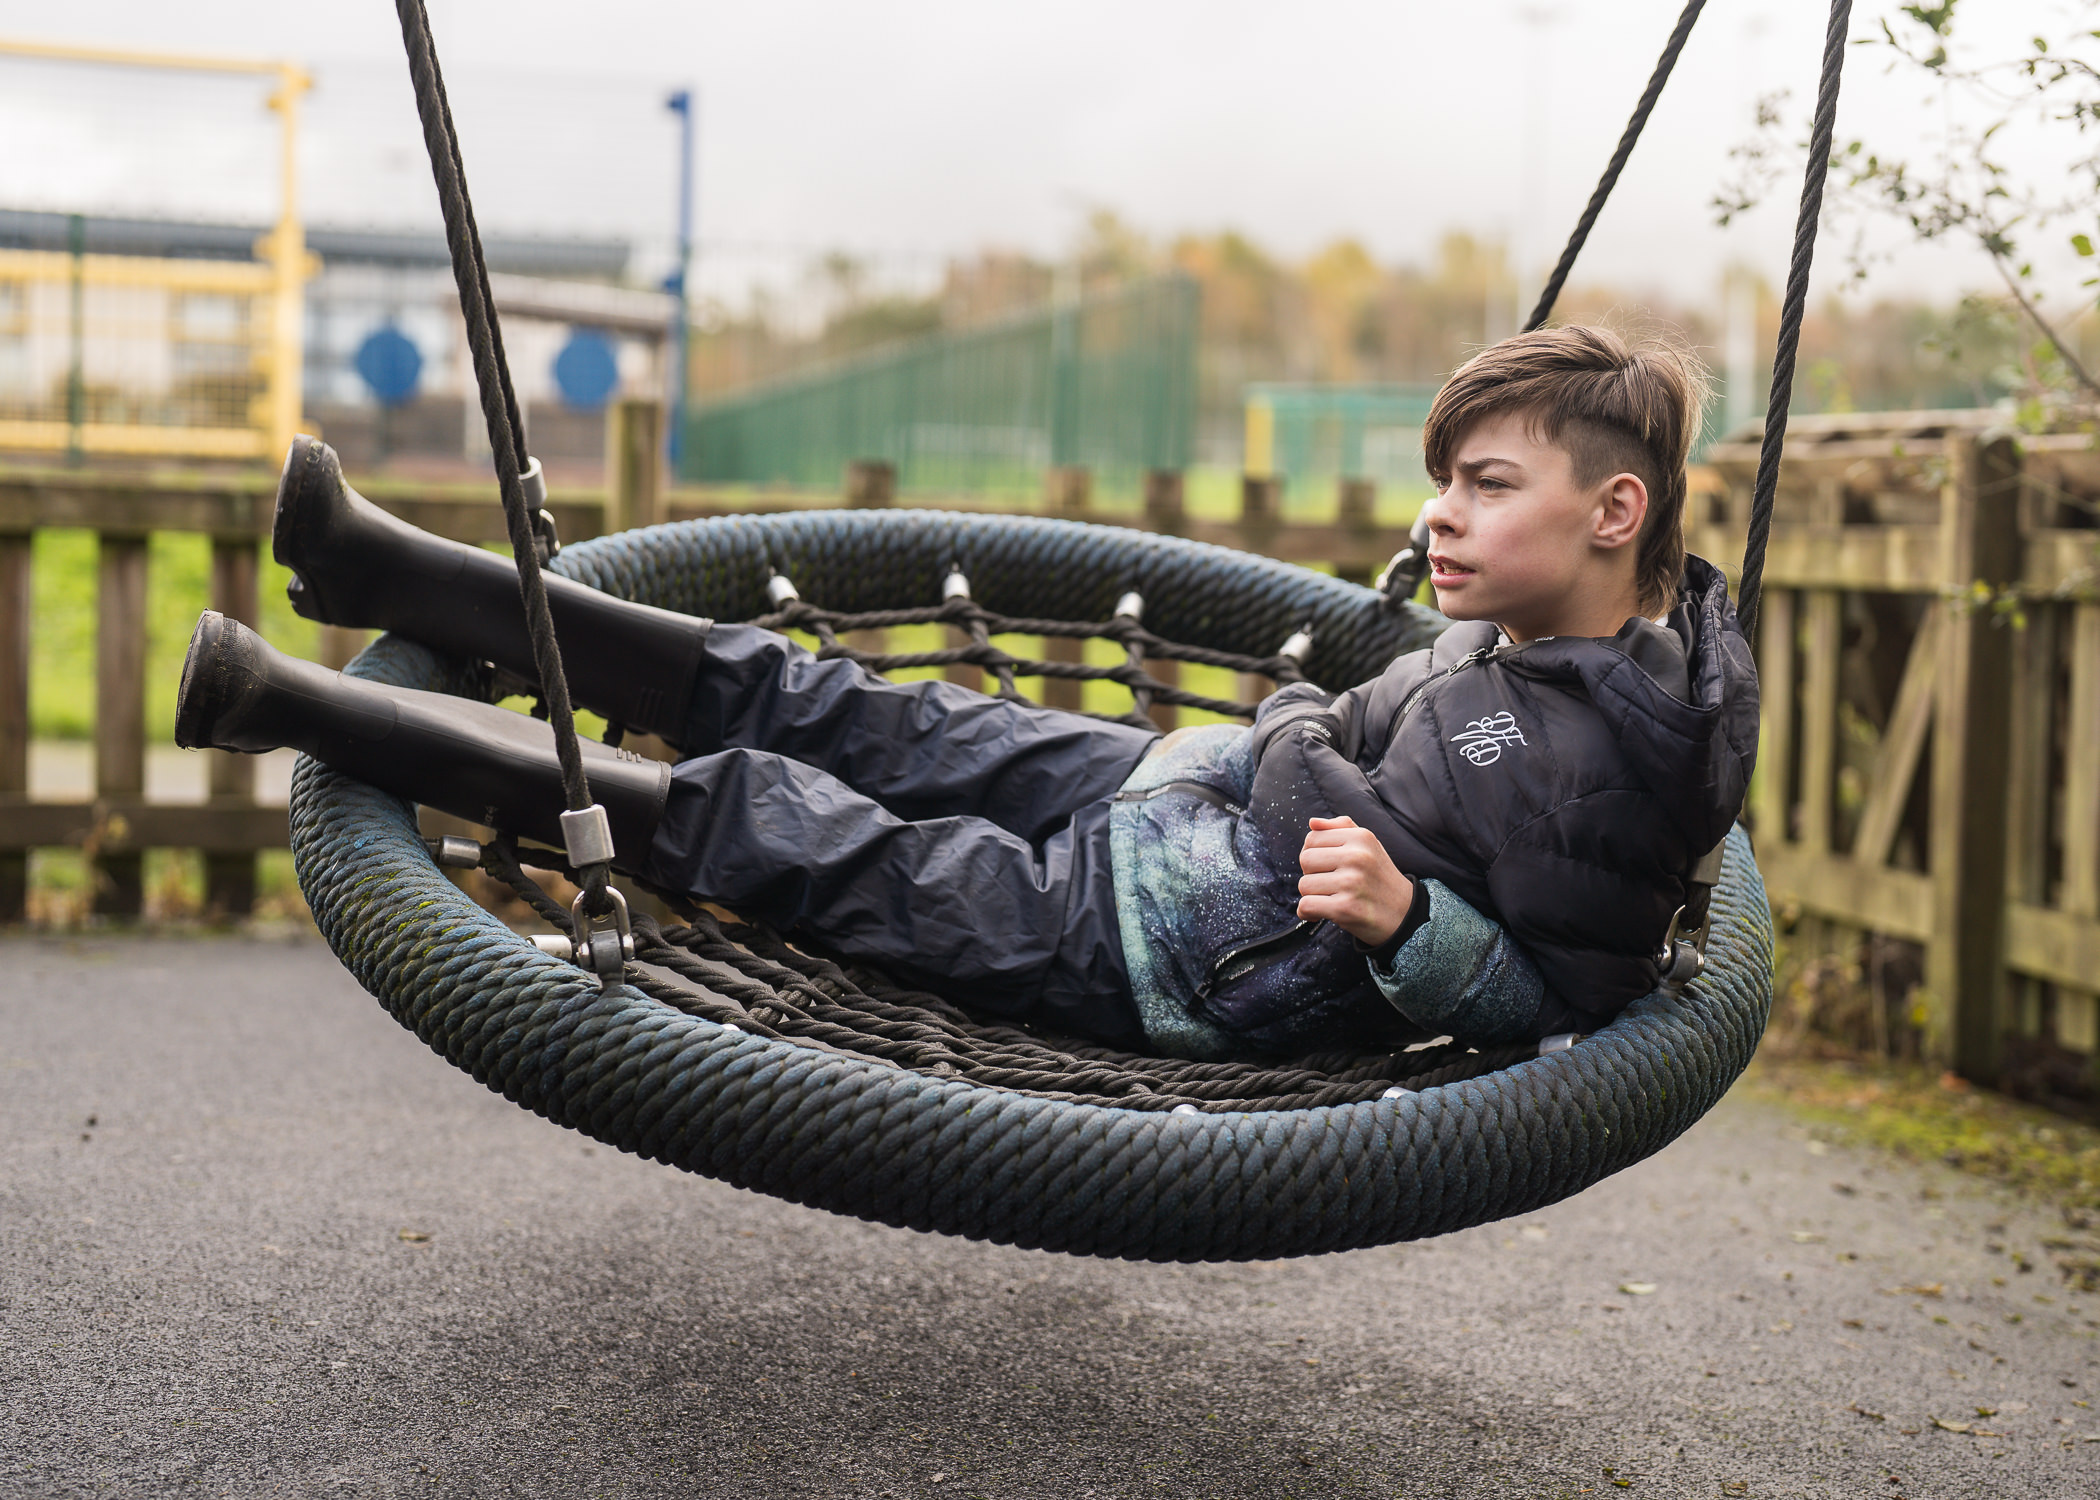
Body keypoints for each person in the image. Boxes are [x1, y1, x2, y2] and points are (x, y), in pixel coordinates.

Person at [176, 325, 1756, 1061]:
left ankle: (297, 710)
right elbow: (1344, 737)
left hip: (1165, 950)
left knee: (798, 828)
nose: (1439, 517)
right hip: (1172, 794)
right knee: (844, 707)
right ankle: (399, 574)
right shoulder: (1513, 641)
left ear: (1613, 514)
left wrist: (1414, 931)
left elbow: (1573, 994)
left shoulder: (1617, 766)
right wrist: (1282, 740)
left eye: (1485, 487)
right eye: (1446, 482)